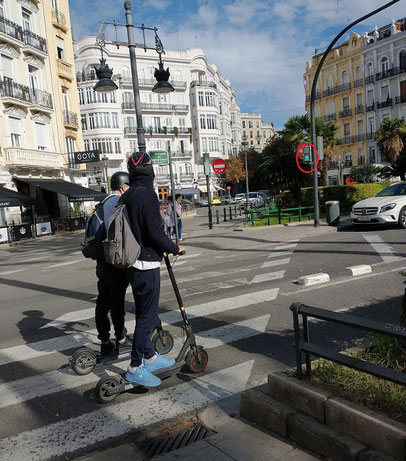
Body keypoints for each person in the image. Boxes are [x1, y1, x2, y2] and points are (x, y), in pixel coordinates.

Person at [122, 152, 185, 387]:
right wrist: (175, 248)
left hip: (132, 262)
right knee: (146, 318)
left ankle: (149, 356)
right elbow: (154, 233)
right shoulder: (147, 195)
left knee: (143, 313)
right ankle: (135, 366)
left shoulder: (127, 195)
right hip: (145, 262)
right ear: (150, 171)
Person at [94, 171, 131, 356]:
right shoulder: (117, 203)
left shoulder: (101, 203)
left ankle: (104, 341)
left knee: (102, 302)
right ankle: (121, 338)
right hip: (114, 260)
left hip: (101, 261)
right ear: (123, 187)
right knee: (117, 303)